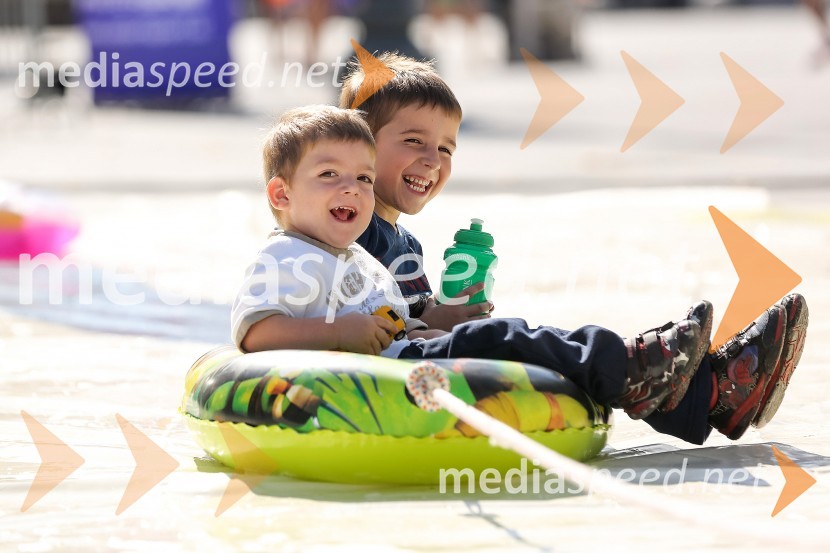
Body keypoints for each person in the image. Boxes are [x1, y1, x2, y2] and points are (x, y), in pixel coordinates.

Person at [231, 105, 806, 448]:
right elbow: (254, 335)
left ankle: (710, 392)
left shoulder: (357, 259)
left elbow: (394, 322)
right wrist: (342, 335)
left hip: (404, 359)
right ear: (282, 194)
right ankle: (637, 362)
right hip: (368, 383)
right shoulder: (285, 257)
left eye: (360, 177)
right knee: (498, 339)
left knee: (514, 336)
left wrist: (430, 324)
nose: (352, 189)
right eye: (329, 175)